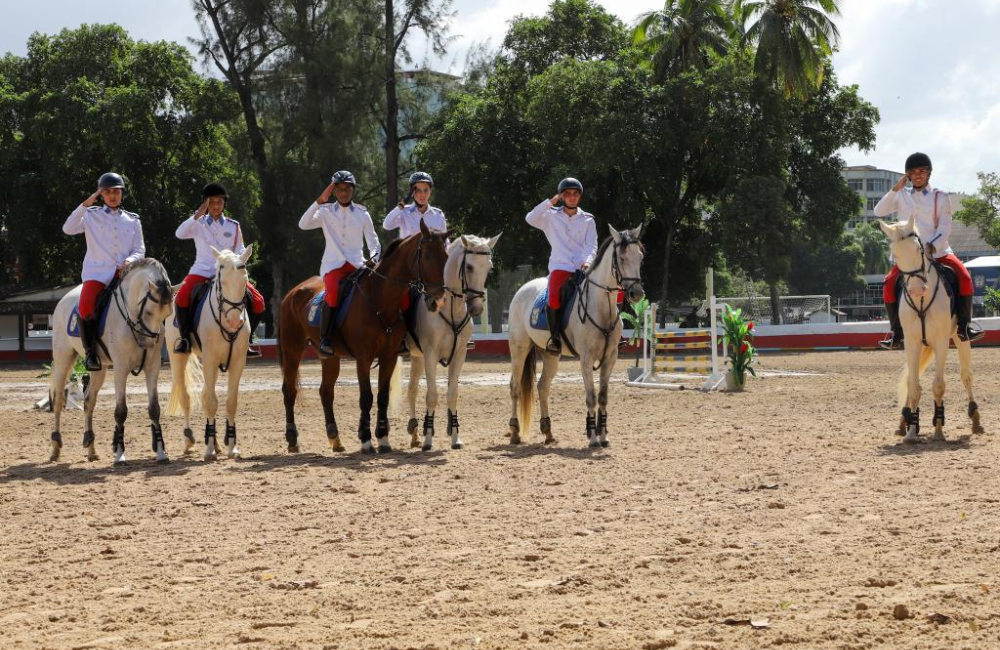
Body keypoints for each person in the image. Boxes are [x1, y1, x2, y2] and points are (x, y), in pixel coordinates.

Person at [875, 152, 984, 349]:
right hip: (910, 258)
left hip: (938, 252)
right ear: (908, 175)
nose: (918, 175)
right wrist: (894, 189)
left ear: (928, 173)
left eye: (922, 171)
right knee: (888, 284)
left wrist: (930, 246)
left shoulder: (940, 197)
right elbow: (878, 211)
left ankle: (964, 327)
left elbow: (944, 228)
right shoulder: (901, 196)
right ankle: (897, 333)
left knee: (965, 277)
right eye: (913, 172)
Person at [62, 172, 146, 371]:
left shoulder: (133, 220)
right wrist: (87, 202)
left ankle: (146, 345)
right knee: (85, 307)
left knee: (151, 299)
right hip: (98, 274)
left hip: (125, 274)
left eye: (116, 191)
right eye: (107, 192)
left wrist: (130, 260)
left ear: (122, 193)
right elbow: (68, 228)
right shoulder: (90, 215)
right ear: (101, 195)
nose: (112, 195)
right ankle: (91, 352)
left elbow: (139, 249)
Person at [174, 182, 266, 357]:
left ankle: (247, 340)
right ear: (205, 203)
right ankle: (185, 339)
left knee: (259, 301)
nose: (216, 205)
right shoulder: (196, 223)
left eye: (219, 202)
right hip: (202, 270)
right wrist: (197, 215)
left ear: (224, 203)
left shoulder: (233, 225)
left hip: (228, 272)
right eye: (211, 202)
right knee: (181, 297)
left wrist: (240, 259)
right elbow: (179, 233)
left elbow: (239, 248)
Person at [299, 170, 381, 357]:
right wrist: (320, 200)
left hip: (358, 265)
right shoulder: (325, 211)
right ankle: (326, 338)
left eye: (347, 189)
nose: (344, 192)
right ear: (334, 191)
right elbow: (303, 224)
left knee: (377, 290)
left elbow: (373, 241)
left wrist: (374, 259)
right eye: (340, 189)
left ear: (353, 190)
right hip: (333, 266)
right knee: (333, 292)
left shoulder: (362, 213)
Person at [525, 177, 598, 355]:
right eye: (567, 194)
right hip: (561, 266)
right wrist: (551, 202)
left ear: (579, 196)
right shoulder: (549, 216)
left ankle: (613, 334)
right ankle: (555, 337)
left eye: (575, 194)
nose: (572, 197)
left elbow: (592, 245)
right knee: (554, 293)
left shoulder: (588, 219)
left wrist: (588, 261)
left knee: (608, 288)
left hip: (584, 266)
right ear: (562, 196)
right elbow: (530, 218)